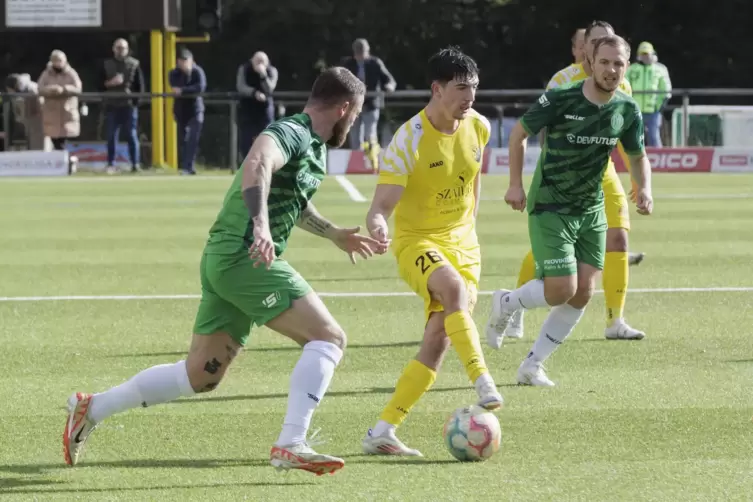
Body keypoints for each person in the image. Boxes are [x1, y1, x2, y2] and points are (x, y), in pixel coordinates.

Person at [64, 67, 384, 476]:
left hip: (227, 258)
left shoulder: (315, 147)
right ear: (344, 108)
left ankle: (93, 407)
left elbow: (293, 199)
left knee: (200, 376)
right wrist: (262, 226)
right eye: (355, 115)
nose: (353, 123)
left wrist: (333, 233)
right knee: (329, 337)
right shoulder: (294, 130)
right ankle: (291, 442)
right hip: (242, 255)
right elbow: (258, 163)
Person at [485, 35, 653, 387]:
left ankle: (532, 366)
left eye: (618, 64)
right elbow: (518, 134)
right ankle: (507, 301)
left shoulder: (626, 109)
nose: (611, 69)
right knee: (561, 288)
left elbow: (636, 157)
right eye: (604, 62)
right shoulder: (561, 98)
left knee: (582, 293)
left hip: (591, 209)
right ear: (591, 63)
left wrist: (644, 188)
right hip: (551, 204)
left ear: (626, 69)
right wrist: (514, 184)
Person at [361, 47, 503, 457]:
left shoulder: (478, 126)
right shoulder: (408, 140)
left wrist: (469, 225)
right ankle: (482, 381)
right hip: (417, 242)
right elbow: (380, 207)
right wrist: (377, 226)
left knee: (438, 338)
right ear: (437, 89)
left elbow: (472, 179)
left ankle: (383, 430)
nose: (470, 97)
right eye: (461, 88)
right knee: (453, 291)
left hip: (464, 244)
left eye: (474, 88)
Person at [343, 38, 396, 171]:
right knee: (355, 137)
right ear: (354, 53)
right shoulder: (349, 64)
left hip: (371, 104)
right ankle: (359, 166)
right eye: (358, 53)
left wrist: (389, 86)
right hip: (354, 106)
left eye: (363, 53)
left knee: (370, 134)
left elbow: (388, 79)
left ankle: (374, 164)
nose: (360, 56)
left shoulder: (375, 63)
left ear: (367, 52)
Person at [102, 38, 145, 173]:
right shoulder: (106, 64)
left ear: (127, 49)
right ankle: (111, 164)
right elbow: (99, 84)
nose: (120, 50)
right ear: (113, 49)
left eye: (123, 48)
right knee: (111, 136)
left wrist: (135, 103)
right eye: (118, 47)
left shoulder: (134, 64)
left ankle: (135, 164)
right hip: (111, 105)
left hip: (128, 106)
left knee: (131, 135)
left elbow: (140, 86)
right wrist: (110, 83)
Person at [168, 48, 207, 175]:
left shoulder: (197, 72)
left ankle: (189, 166)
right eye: (181, 61)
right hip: (181, 110)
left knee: (193, 138)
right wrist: (185, 88)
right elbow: (175, 87)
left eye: (186, 60)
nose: (183, 63)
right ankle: (184, 166)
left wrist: (184, 90)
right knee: (182, 139)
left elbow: (200, 87)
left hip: (196, 109)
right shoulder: (174, 73)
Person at [626, 41, 672, 147]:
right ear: (639, 55)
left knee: (654, 137)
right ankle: (634, 161)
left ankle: (658, 161)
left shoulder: (660, 69)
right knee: (634, 137)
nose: (645, 56)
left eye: (647, 54)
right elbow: (625, 86)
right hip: (635, 110)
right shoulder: (632, 69)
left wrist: (660, 105)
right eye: (643, 54)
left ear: (653, 54)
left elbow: (665, 89)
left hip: (653, 110)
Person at [37, 50, 82, 151]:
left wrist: (64, 89)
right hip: (51, 112)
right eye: (55, 60)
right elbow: (40, 88)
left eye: (60, 60)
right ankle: (59, 160)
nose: (58, 63)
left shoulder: (71, 73)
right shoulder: (46, 74)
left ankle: (65, 161)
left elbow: (78, 88)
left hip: (66, 112)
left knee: (63, 140)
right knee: (55, 140)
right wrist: (51, 90)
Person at [236, 51, 279, 158]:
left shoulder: (272, 71)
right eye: (257, 61)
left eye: (262, 62)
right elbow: (241, 87)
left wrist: (263, 75)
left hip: (265, 112)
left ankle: (265, 166)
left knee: (266, 141)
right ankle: (247, 167)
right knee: (246, 142)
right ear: (252, 61)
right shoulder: (244, 69)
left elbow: (270, 89)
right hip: (247, 111)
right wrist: (254, 93)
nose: (260, 64)